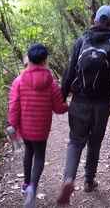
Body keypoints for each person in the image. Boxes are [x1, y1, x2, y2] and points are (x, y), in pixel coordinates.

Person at [57, 5, 110, 205]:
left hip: (80, 101)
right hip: (102, 104)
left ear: (95, 19)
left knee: (75, 141)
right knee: (95, 142)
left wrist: (62, 96)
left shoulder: (82, 40)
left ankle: (68, 179)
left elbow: (69, 72)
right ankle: (89, 181)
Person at [7, 43, 68, 208]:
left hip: (25, 128)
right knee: (39, 156)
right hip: (41, 129)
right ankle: (33, 187)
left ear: (29, 58)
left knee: (29, 152)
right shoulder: (51, 82)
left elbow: (13, 105)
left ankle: (26, 185)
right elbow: (59, 108)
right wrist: (69, 105)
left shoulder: (18, 81)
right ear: (45, 60)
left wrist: (12, 125)